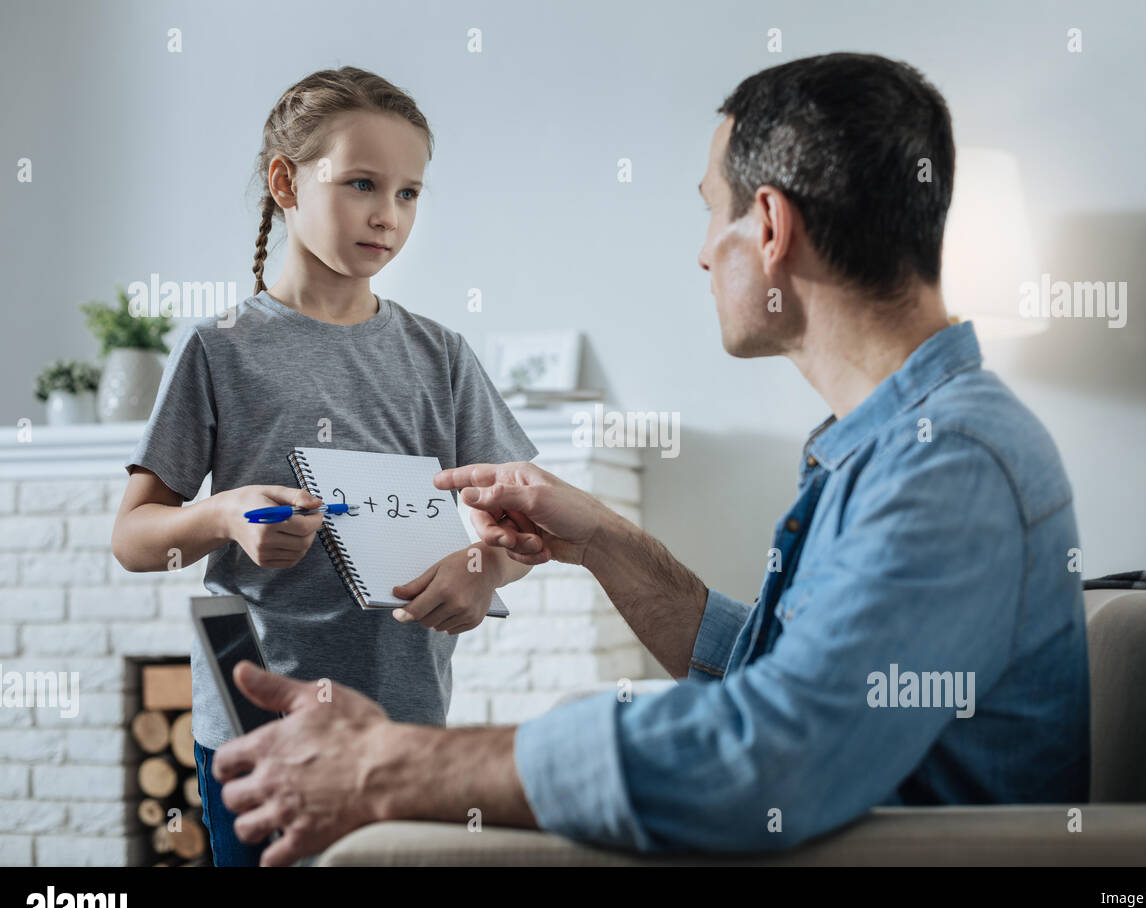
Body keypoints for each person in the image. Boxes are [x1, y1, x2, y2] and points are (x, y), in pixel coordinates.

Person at [210, 52, 1091, 865]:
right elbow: (774, 674)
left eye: (714, 209)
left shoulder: (950, 464)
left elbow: (770, 756)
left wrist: (388, 764)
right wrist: (601, 540)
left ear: (772, 225)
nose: (704, 250)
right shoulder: (897, 446)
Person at [110, 66, 537, 866]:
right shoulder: (220, 349)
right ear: (286, 182)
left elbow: (516, 528)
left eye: (410, 193)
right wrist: (226, 514)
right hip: (256, 724)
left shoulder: (439, 355)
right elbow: (134, 537)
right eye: (363, 184)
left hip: (403, 729)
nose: (388, 215)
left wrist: (482, 567)